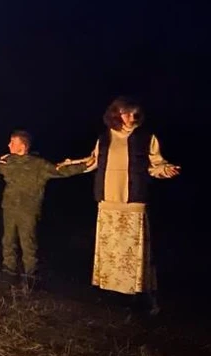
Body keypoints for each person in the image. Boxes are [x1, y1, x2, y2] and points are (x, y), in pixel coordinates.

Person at [66, 97, 180, 313]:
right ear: (115, 114)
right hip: (108, 200)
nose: (130, 117)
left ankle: (138, 294)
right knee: (111, 249)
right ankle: (111, 293)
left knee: (133, 250)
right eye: (126, 113)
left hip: (133, 201)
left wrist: (167, 170)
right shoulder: (105, 138)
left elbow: (155, 165)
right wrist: (68, 165)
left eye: (134, 113)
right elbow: (92, 161)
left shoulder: (146, 138)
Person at [0, 130, 87, 283]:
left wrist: (86, 164)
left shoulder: (38, 165)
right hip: (9, 207)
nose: (8, 145)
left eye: (12, 142)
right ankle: (9, 272)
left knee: (28, 242)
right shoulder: (8, 161)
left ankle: (30, 276)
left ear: (22, 146)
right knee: (8, 240)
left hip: (29, 210)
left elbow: (61, 171)